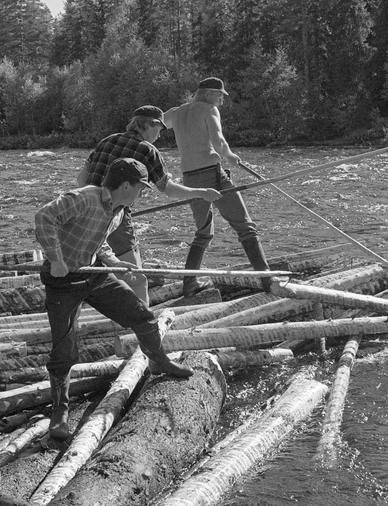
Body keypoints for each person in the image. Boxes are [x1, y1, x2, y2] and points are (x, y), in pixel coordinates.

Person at [34, 157, 192, 443]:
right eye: (141, 188)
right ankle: (59, 413)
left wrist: (115, 262)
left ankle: (158, 362)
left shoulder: (118, 210)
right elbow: (44, 217)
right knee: (65, 350)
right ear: (125, 185)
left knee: (142, 315)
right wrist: (56, 259)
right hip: (63, 281)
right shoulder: (83, 198)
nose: (142, 194)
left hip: (94, 274)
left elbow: (97, 240)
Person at [76, 105, 221, 304]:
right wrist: (202, 193)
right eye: (159, 129)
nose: (160, 135)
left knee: (93, 272)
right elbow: (168, 189)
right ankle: (145, 325)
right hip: (114, 216)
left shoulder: (106, 141)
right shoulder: (147, 150)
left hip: (83, 211)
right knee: (136, 278)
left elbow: (81, 180)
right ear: (149, 125)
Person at [163, 77, 270, 297]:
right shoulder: (209, 109)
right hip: (213, 176)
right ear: (208, 93)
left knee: (203, 233)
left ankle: (189, 284)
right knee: (245, 226)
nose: (222, 100)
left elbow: (154, 123)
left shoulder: (176, 112)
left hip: (189, 179)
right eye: (220, 95)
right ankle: (267, 279)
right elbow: (219, 140)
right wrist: (230, 156)